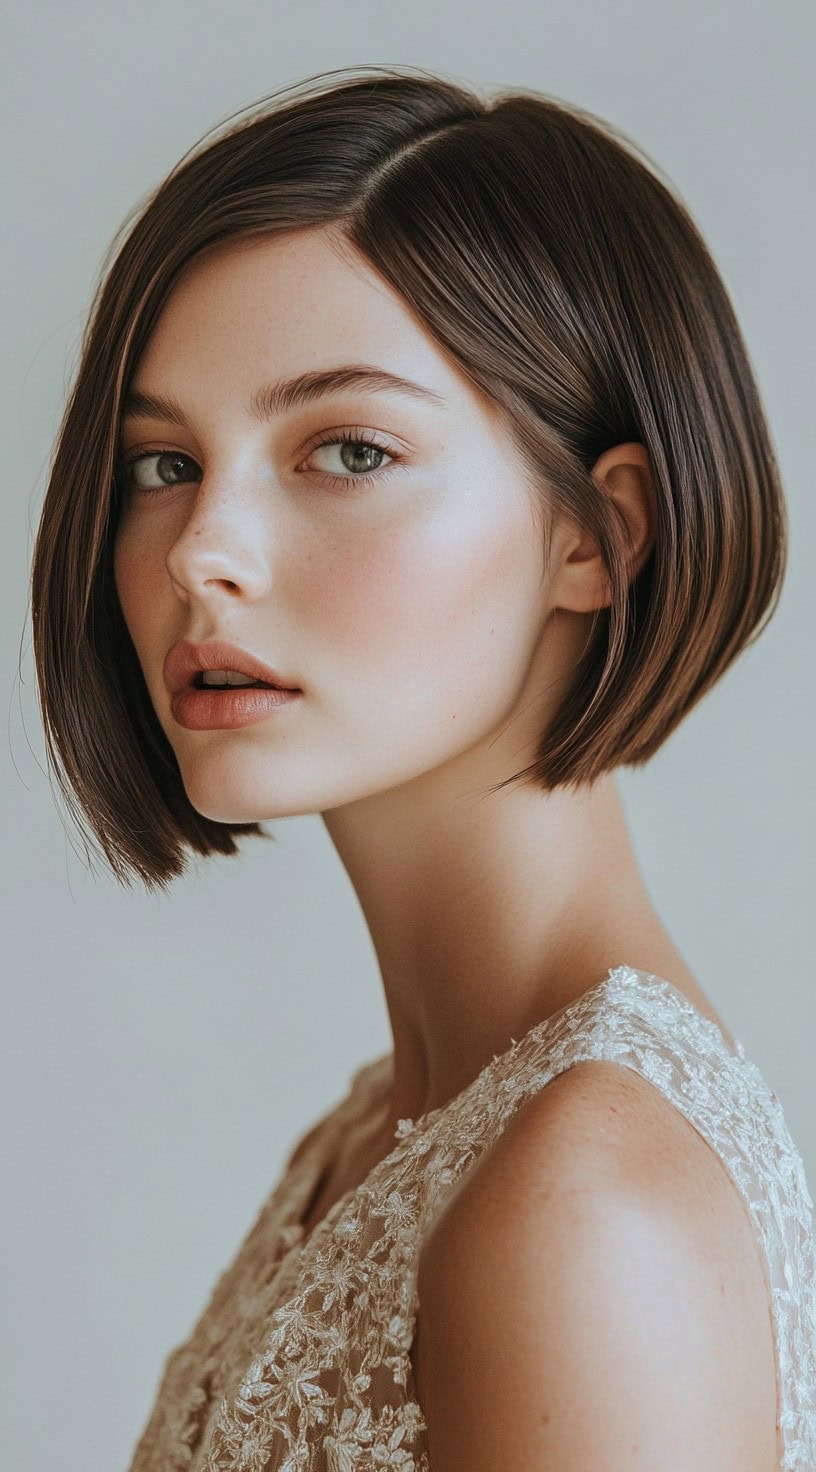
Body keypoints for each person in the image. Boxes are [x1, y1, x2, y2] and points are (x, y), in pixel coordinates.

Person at [29, 63, 815, 1472]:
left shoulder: (585, 1206)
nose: (204, 549)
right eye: (161, 464)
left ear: (601, 535)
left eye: (345, 448)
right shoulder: (382, 1131)